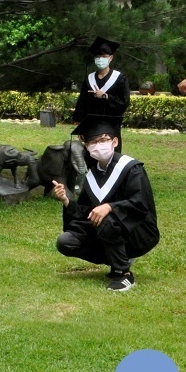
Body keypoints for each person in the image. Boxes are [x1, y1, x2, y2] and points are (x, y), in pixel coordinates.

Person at [52, 116, 159, 292]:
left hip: (138, 231)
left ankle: (123, 273)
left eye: (103, 140)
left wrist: (110, 207)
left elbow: (140, 203)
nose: (98, 145)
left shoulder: (131, 168)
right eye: (92, 142)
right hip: (108, 231)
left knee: (106, 218)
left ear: (114, 141)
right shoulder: (92, 176)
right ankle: (118, 258)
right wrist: (65, 199)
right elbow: (86, 211)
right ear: (86, 147)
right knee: (66, 242)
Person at [73, 36, 130, 151]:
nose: (100, 59)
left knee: (110, 154)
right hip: (91, 125)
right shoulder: (89, 79)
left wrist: (105, 96)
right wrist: (81, 127)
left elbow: (124, 102)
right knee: (91, 155)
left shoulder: (119, 78)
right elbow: (82, 104)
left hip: (111, 125)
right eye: (98, 57)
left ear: (111, 58)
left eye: (104, 56)